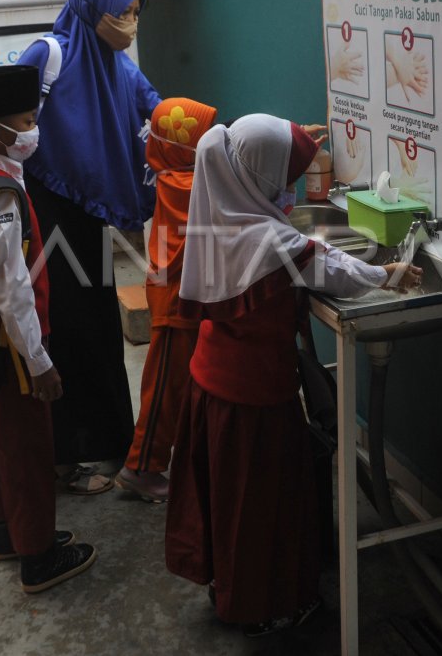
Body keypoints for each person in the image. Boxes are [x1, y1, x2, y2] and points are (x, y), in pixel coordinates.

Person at [164, 114, 422, 636]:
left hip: (212, 384)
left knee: (229, 501)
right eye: (284, 178)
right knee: (260, 506)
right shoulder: (267, 238)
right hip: (254, 395)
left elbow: (306, 247)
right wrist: (387, 274)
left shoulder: (222, 203)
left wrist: (289, 143)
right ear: (260, 180)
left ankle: (229, 587)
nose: (289, 190)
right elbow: (330, 266)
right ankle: (262, 606)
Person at [0, 65, 96, 593]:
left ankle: (5, 531)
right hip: (14, 342)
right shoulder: (1, 194)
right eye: (27, 121)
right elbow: (12, 287)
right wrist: (40, 361)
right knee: (28, 446)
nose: (35, 130)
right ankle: (38, 556)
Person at [17, 0, 163, 494]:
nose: (129, 22)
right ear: (87, 7)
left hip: (87, 219)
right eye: (120, 12)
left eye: (134, 12)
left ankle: (104, 447)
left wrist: (238, 140)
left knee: (97, 328)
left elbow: (165, 114)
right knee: (58, 332)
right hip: (41, 214)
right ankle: (61, 458)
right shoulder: (48, 55)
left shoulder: (119, 68)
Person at [114, 97, 218, 503]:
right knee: (164, 388)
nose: (213, 140)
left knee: (181, 381)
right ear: (184, 146)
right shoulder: (187, 183)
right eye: (205, 135)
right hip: (175, 299)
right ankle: (140, 467)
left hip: (178, 290)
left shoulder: (177, 172)